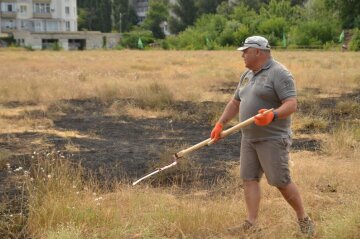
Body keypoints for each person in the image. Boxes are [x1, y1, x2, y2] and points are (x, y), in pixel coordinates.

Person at [210, 36, 314, 236]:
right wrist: (220, 123)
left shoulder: (280, 73)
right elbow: (235, 102)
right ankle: (251, 223)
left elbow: (291, 104)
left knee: (280, 181)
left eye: (245, 51)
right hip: (249, 138)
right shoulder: (247, 75)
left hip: (273, 139)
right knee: (249, 178)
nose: (242, 55)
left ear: (258, 52)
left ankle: (304, 219)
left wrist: (272, 115)